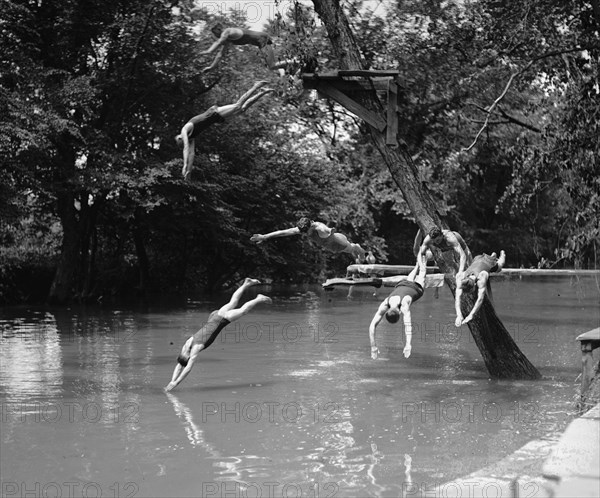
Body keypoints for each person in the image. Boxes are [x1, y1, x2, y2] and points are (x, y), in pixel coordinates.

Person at [165, 278, 271, 392]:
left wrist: (176, 382)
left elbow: (187, 368)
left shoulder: (196, 348)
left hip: (221, 319)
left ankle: (258, 298)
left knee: (242, 311)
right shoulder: (186, 345)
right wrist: (172, 381)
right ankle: (246, 284)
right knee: (233, 302)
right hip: (214, 317)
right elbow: (180, 365)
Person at [176, 81, 273, 180]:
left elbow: (186, 149)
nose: (186, 141)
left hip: (213, 113)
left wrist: (184, 165)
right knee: (241, 110)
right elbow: (191, 154)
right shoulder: (192, 137)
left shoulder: (185, 129)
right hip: (216, 119)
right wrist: (189, 170)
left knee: (237, 106)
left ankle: (256, 86)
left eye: (184, 141)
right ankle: (262, 92)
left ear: (180, 138)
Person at [368, 254, 427, 360]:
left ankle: (424, 260)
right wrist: (373, 346)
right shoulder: (386, 303)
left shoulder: (403, 306)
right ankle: (418, 263)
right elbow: (371, 326)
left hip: (417, 289)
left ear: (399, 314)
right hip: (402, 284)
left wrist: (408, 345)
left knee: (422, 274)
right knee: (410, 277)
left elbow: (408, 326)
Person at [250, 217, 366, 263]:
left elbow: (323, 228)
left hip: (338, 241)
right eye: (303, 232)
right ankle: (356, 249)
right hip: (330, 246)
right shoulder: (303, 228)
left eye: (306, 232)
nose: (305, 234)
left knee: (351, 249)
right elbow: (283, 232)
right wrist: (264, 237)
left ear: (311, 225)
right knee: (343, 252)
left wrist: (330, 230)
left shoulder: (318, 228)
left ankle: (358, 248)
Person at [201, 23, 291, 74]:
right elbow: (220, 54)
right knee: (272, 66)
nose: (215, 35)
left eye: (214, 33)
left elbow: (218, 42)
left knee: (272, 65)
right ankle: (289, 66)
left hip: (262, 39)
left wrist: (209, 51)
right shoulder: (228, 39)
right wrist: (211, 67)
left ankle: (295, 61)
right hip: (260, 42)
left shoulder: (227, 31)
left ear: (218, 29)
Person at [454, 250, 506, 326]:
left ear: (475, 285)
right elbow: (457, 298)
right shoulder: (460, 278)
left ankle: (502, 254)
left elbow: (480, 299)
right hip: (477, 258)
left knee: (500, 267)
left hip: (488, 262)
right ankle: (492, 255)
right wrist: (458, 315)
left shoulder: (482, 277)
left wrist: (471, 315)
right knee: (484, 262)